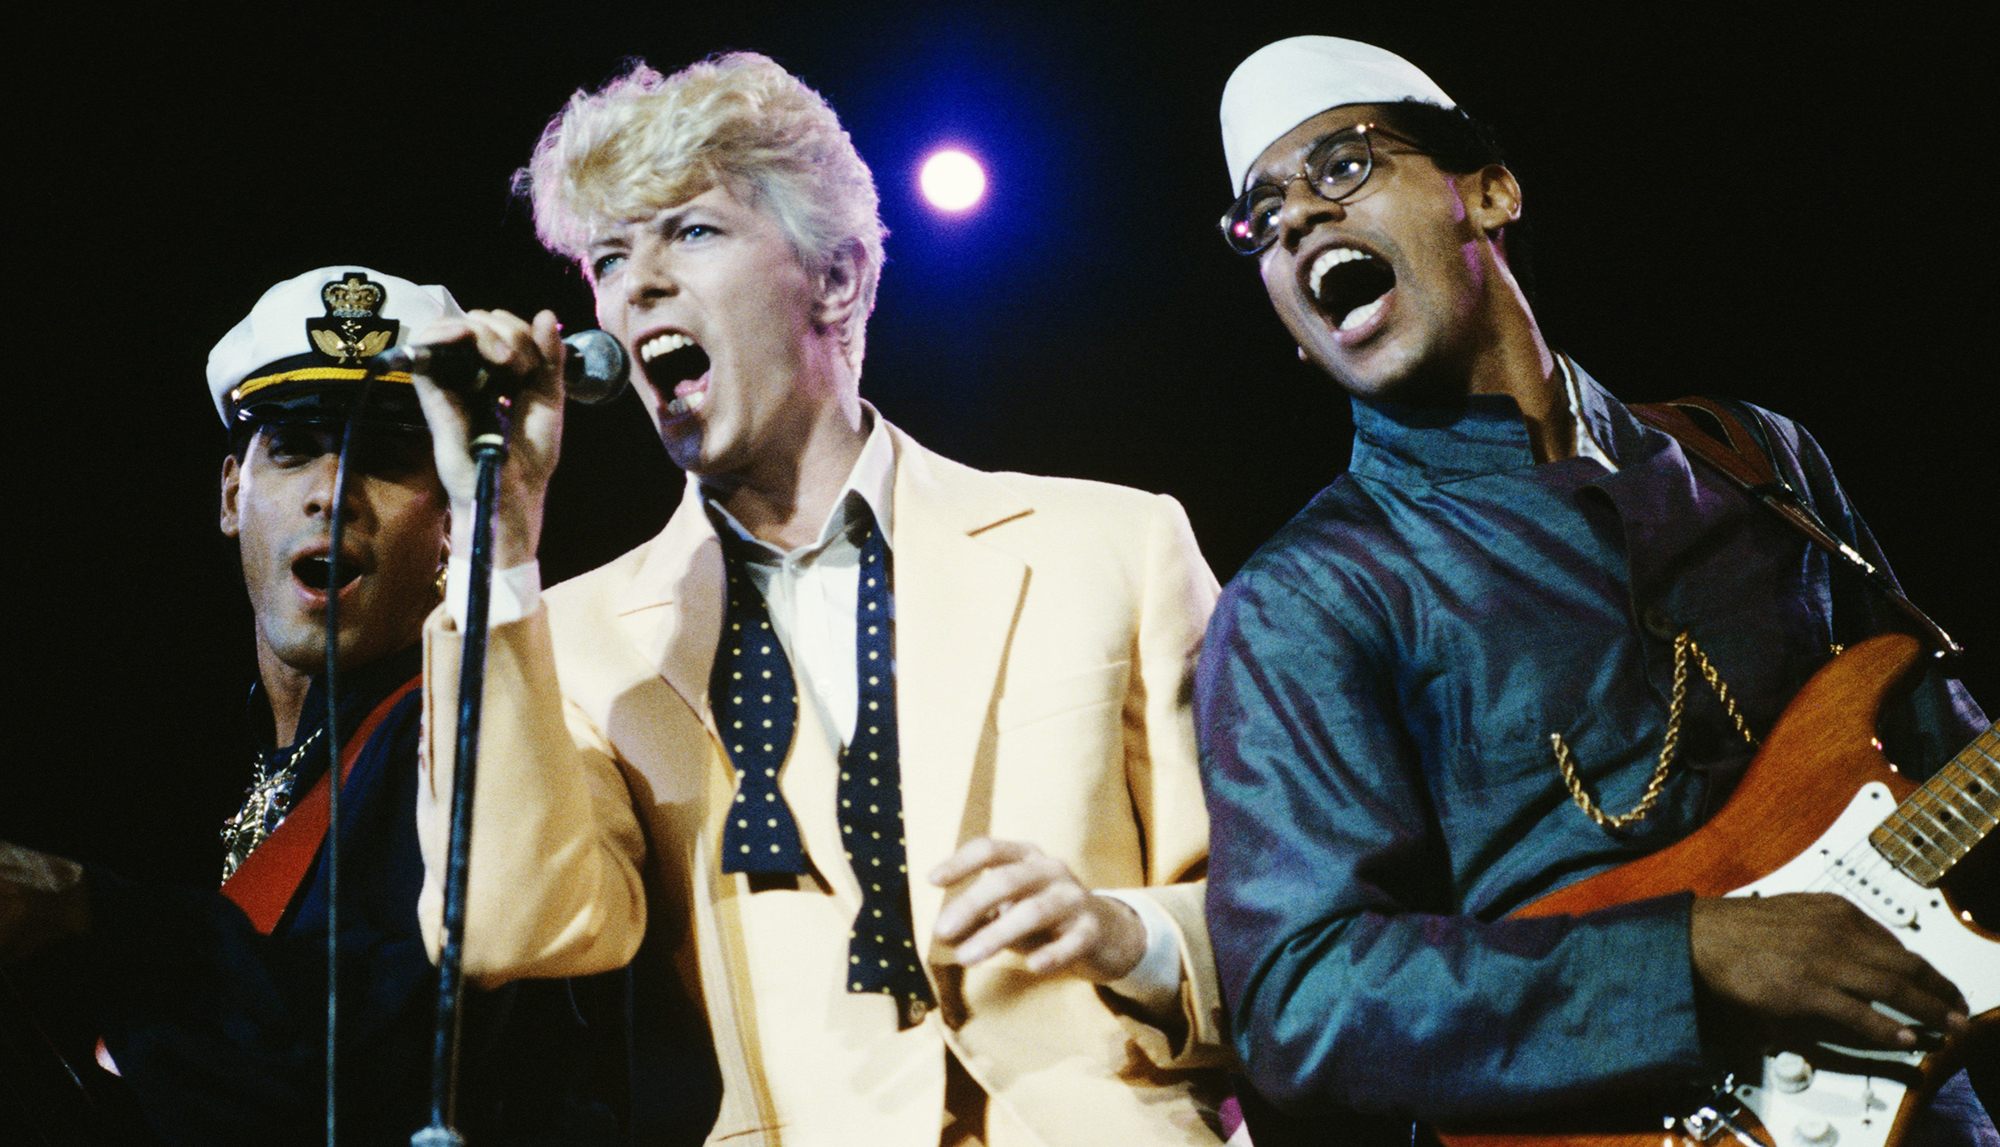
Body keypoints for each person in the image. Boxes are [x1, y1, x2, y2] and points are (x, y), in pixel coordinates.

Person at [406, 52, 1231, 1147]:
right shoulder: (576, 639)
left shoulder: (1113, 544)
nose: (636, 283)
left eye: (690, 232)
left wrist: (1122, 932)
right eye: (609, 255)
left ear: (835, 278)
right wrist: (494, 539)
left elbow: (1281, 924)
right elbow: (509, 926)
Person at [1193, 35, 1995, 1147]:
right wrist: (1694, 958)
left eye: (1340, 167)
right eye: (1258, 216)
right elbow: (1301, 1002)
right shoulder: (1306, 596)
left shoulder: (1751, 456)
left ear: (1487, 189)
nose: (1292, 220)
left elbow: (1941, 765)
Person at [0, 266, 696, 1146]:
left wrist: (83, 907)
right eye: (294, 446)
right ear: (229, 495)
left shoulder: (476, 737)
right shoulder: (259, 762)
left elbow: (373, 1057)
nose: (333, 491)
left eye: (384, 455)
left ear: (448, 515)